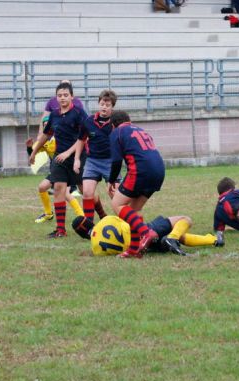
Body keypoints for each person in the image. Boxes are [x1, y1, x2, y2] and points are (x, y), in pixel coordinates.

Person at [29, 81, 88, 238]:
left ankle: (96, 220)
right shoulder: (54, 115)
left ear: (72, 97)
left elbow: (83, 137)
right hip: (59, 158)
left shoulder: (79, 113)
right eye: (60, 95)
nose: (62, 98)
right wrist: (34, 152)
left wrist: (69, 153)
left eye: (65, 95)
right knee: (58, 189)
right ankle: (60, 229)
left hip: (78, 156)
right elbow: (46, 136)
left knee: (86, 191)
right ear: (56, 98)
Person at [108, 110, 165, 258]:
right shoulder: (140, 129)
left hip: (141, 171)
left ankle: (146, 232)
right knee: (133, 210)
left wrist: (111, 180)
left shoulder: (117, 132)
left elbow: (115, 161)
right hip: (159, 171)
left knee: (117, 204)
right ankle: (134, 249)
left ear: (113, 125)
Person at [78, 214, 218, 256]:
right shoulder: (106, 220)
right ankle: (213, 240)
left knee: (172, 237)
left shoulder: (96, 250)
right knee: (185, 220)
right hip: (144, 233)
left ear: (83, 236)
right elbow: (130, 219)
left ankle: (214, 240)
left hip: (141, 248)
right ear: (90, 222)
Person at [77, 89, 117, 223]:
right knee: (87, 193)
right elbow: (81, 140)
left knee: (115, 194)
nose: (104, 107)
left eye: (107, 105)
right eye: (102, 104)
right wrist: (77, 159)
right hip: (92, 161)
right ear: (98, 104)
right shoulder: (88, 121)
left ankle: (126, 222)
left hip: (110, 162)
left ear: (112, 106)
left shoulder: (116, 122)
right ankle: (89, 224)